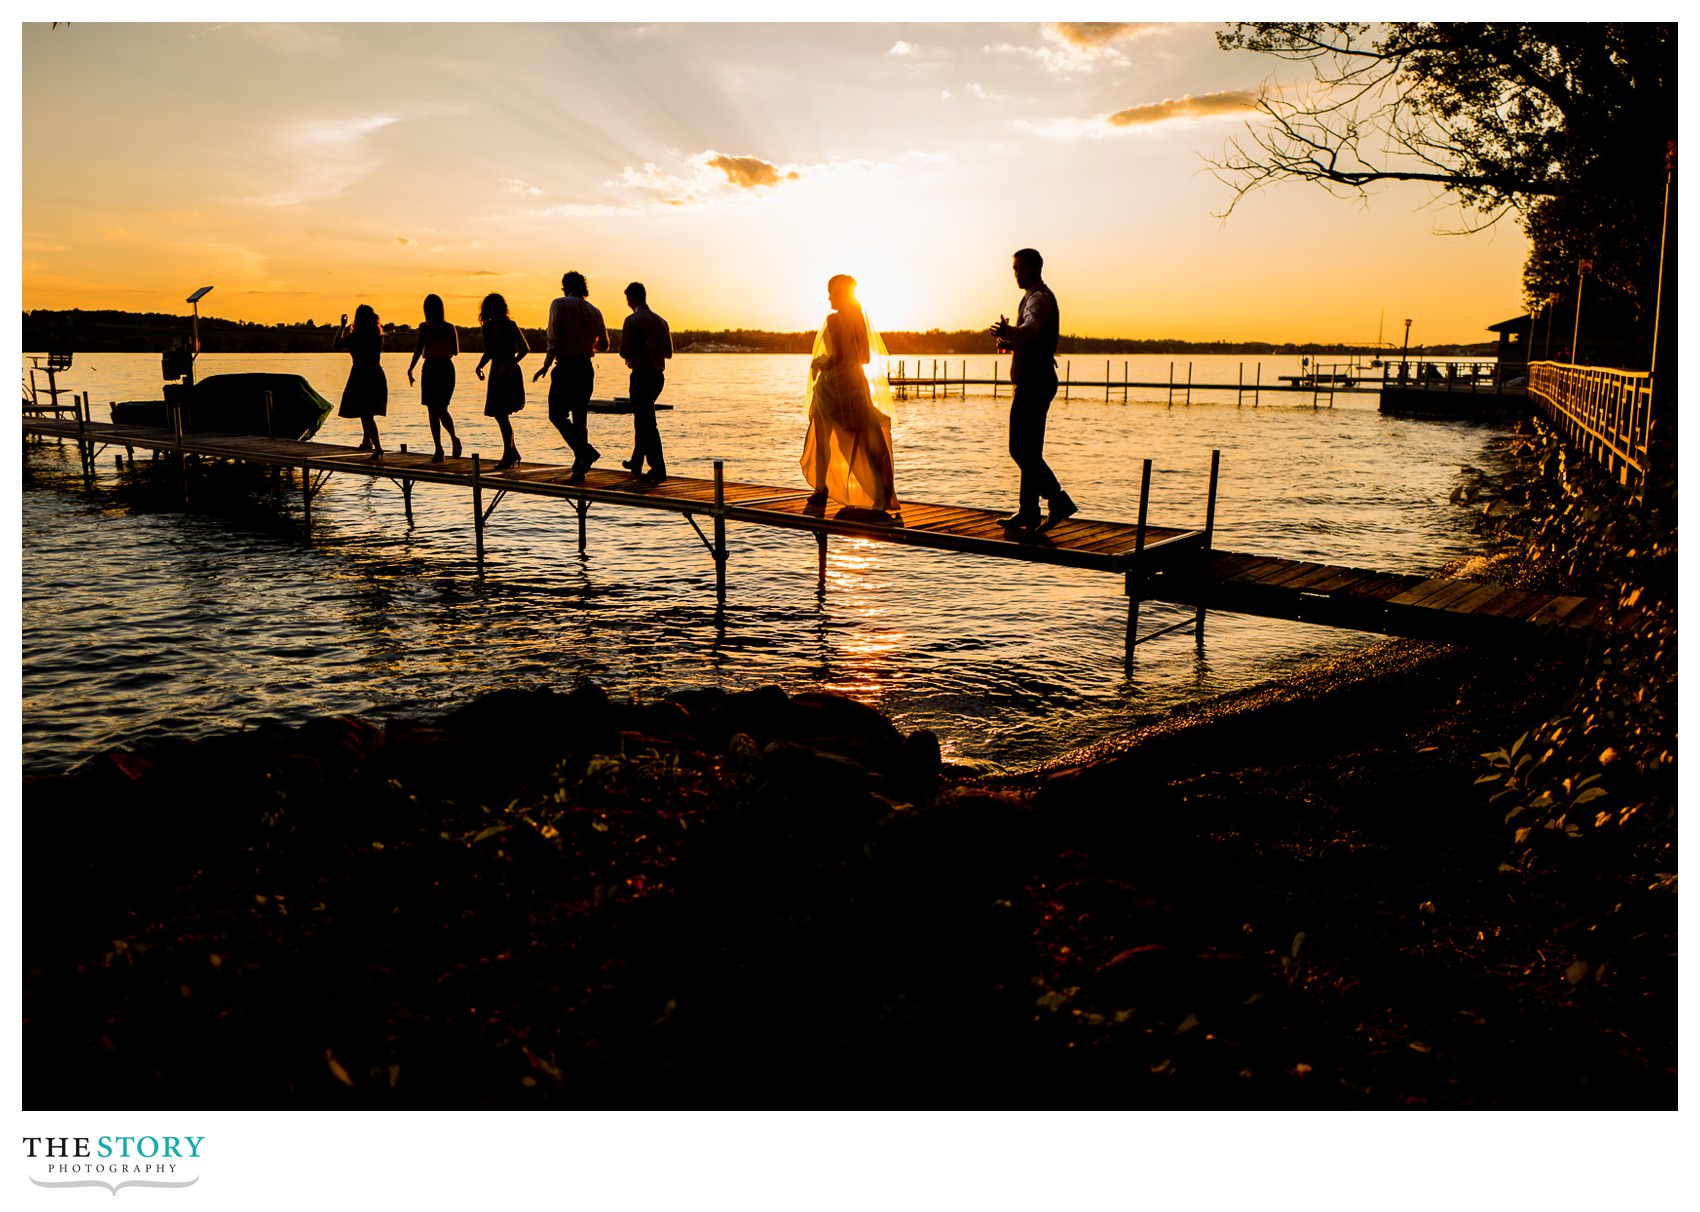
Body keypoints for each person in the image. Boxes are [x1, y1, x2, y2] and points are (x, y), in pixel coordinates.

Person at [989, 247, 1076, 533]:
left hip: (1034, 382)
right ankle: (1028, 512)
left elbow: (1032, 330)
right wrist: (1011, 342)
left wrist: (1010, 332)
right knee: (1030, 450)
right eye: (1014, 268)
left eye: (1019, 268)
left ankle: (1058, 500)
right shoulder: (1032, 297)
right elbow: (1030, 337)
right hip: (1035, 380)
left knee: (1019, 448)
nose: (1016, 273)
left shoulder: (1039, 299)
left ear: (1034, 268)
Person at [800, 274, 898, 514]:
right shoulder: (859, 318)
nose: (828, 296)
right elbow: (863, 358)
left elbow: (840, 356)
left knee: (822, 437)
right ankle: (884, 496)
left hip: (834, 386)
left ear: (841, 293)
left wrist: (822, 363)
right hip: (856, 384)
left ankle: (821, 490)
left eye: (831, 291)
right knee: (869, 440)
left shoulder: (834, 320)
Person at [531, 271, 608, 483]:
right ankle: (579, 468)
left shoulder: (559, 305)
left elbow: (553, 338)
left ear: (565, 286)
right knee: (580, 419)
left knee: (557, 415)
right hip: (586, 368)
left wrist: (546, 365)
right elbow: (604, 344)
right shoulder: (595, 311)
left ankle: (586, 452)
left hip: (566, 367)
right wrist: (586, 341)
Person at [619, 282, 673, 481]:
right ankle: (636, 461)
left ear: (631, 299)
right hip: (658, 376)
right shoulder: (661, 321)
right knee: (643, 420)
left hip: (641, 374)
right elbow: (668, 353)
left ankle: (658, 468)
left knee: (646, 423)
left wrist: (635, 354)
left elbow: (624, 350)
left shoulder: (632, 320)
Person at [405, 293, 462, 463]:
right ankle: (442, 445)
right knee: (437, 409)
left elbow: (418, 349)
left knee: (437, 409)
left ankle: (446, 443)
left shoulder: (426, 327)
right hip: (442, 367)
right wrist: (411, 368)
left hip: (433, 367)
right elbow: (456, 351)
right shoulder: (447, 327)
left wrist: (411, 368)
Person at [474, 292, 527, 470]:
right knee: (499, 415)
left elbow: (525, 349)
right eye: (492, 306)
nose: (495, 309)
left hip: (509, 372)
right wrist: (479, 366)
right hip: (495, 372)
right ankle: (512, 452)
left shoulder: (510, 325)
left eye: (498, 306)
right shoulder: (487, 327)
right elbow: (489, 351)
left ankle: (508, 455)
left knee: (502, 415)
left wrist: (511, 364)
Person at [334, 304, 387, 461]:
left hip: (361, 373)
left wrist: (342, 326)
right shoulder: (377, 335)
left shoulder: (356, 336)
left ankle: (378, 448)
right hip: (376, 373)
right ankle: (367, 441)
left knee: (365, 412)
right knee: (366, 411)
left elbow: (336, 344)